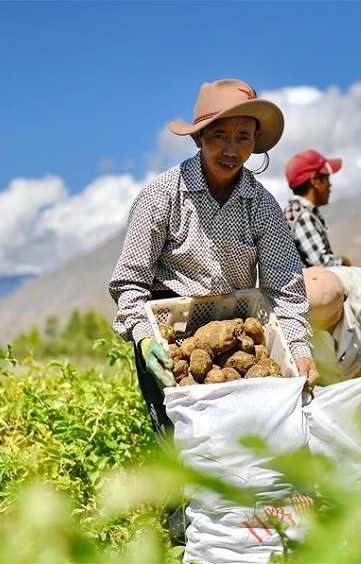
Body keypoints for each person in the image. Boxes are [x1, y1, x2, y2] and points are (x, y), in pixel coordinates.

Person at [109, 78, 319, 443]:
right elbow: (130, 282)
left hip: (237, 334)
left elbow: (285, 289)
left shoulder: (262, 206)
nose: (232, 149)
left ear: (256, 142)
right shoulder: (162, 196)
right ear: (198, 137)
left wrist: (299, 349)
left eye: (243, 137)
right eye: (220, 135)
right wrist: (145, 340)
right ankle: (182, 503)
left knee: (243, 443)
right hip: (169, 335)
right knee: (180, 446)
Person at [284, 149, 352, 267]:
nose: (330, 185)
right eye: (327, 178)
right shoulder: (302, 215)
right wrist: (342, 261)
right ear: (315, 181)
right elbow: (322, 263)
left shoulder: (295, 211)